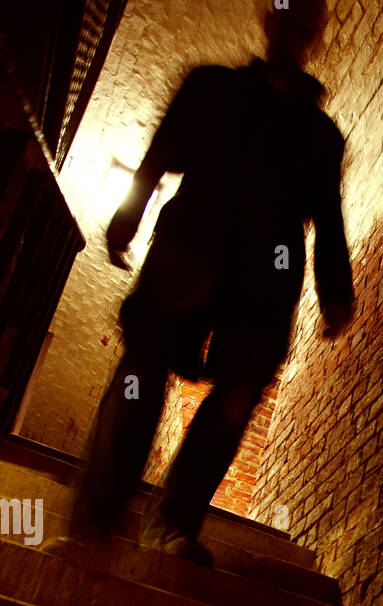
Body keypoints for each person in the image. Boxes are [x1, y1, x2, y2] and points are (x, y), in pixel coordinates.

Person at [46, 0, 353, 567]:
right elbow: (159, 156)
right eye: (287, 19)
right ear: (269, 21)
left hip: (266, 278)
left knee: (237, 396)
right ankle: (94, 521)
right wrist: (127, 217)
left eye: (306, 24)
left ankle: (172, 526)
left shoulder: (320, 135)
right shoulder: (211, 89)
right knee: (141, 371)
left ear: (317, 35)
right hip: (189, 252)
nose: (294, 31)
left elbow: (328, 217)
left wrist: (335, 290)